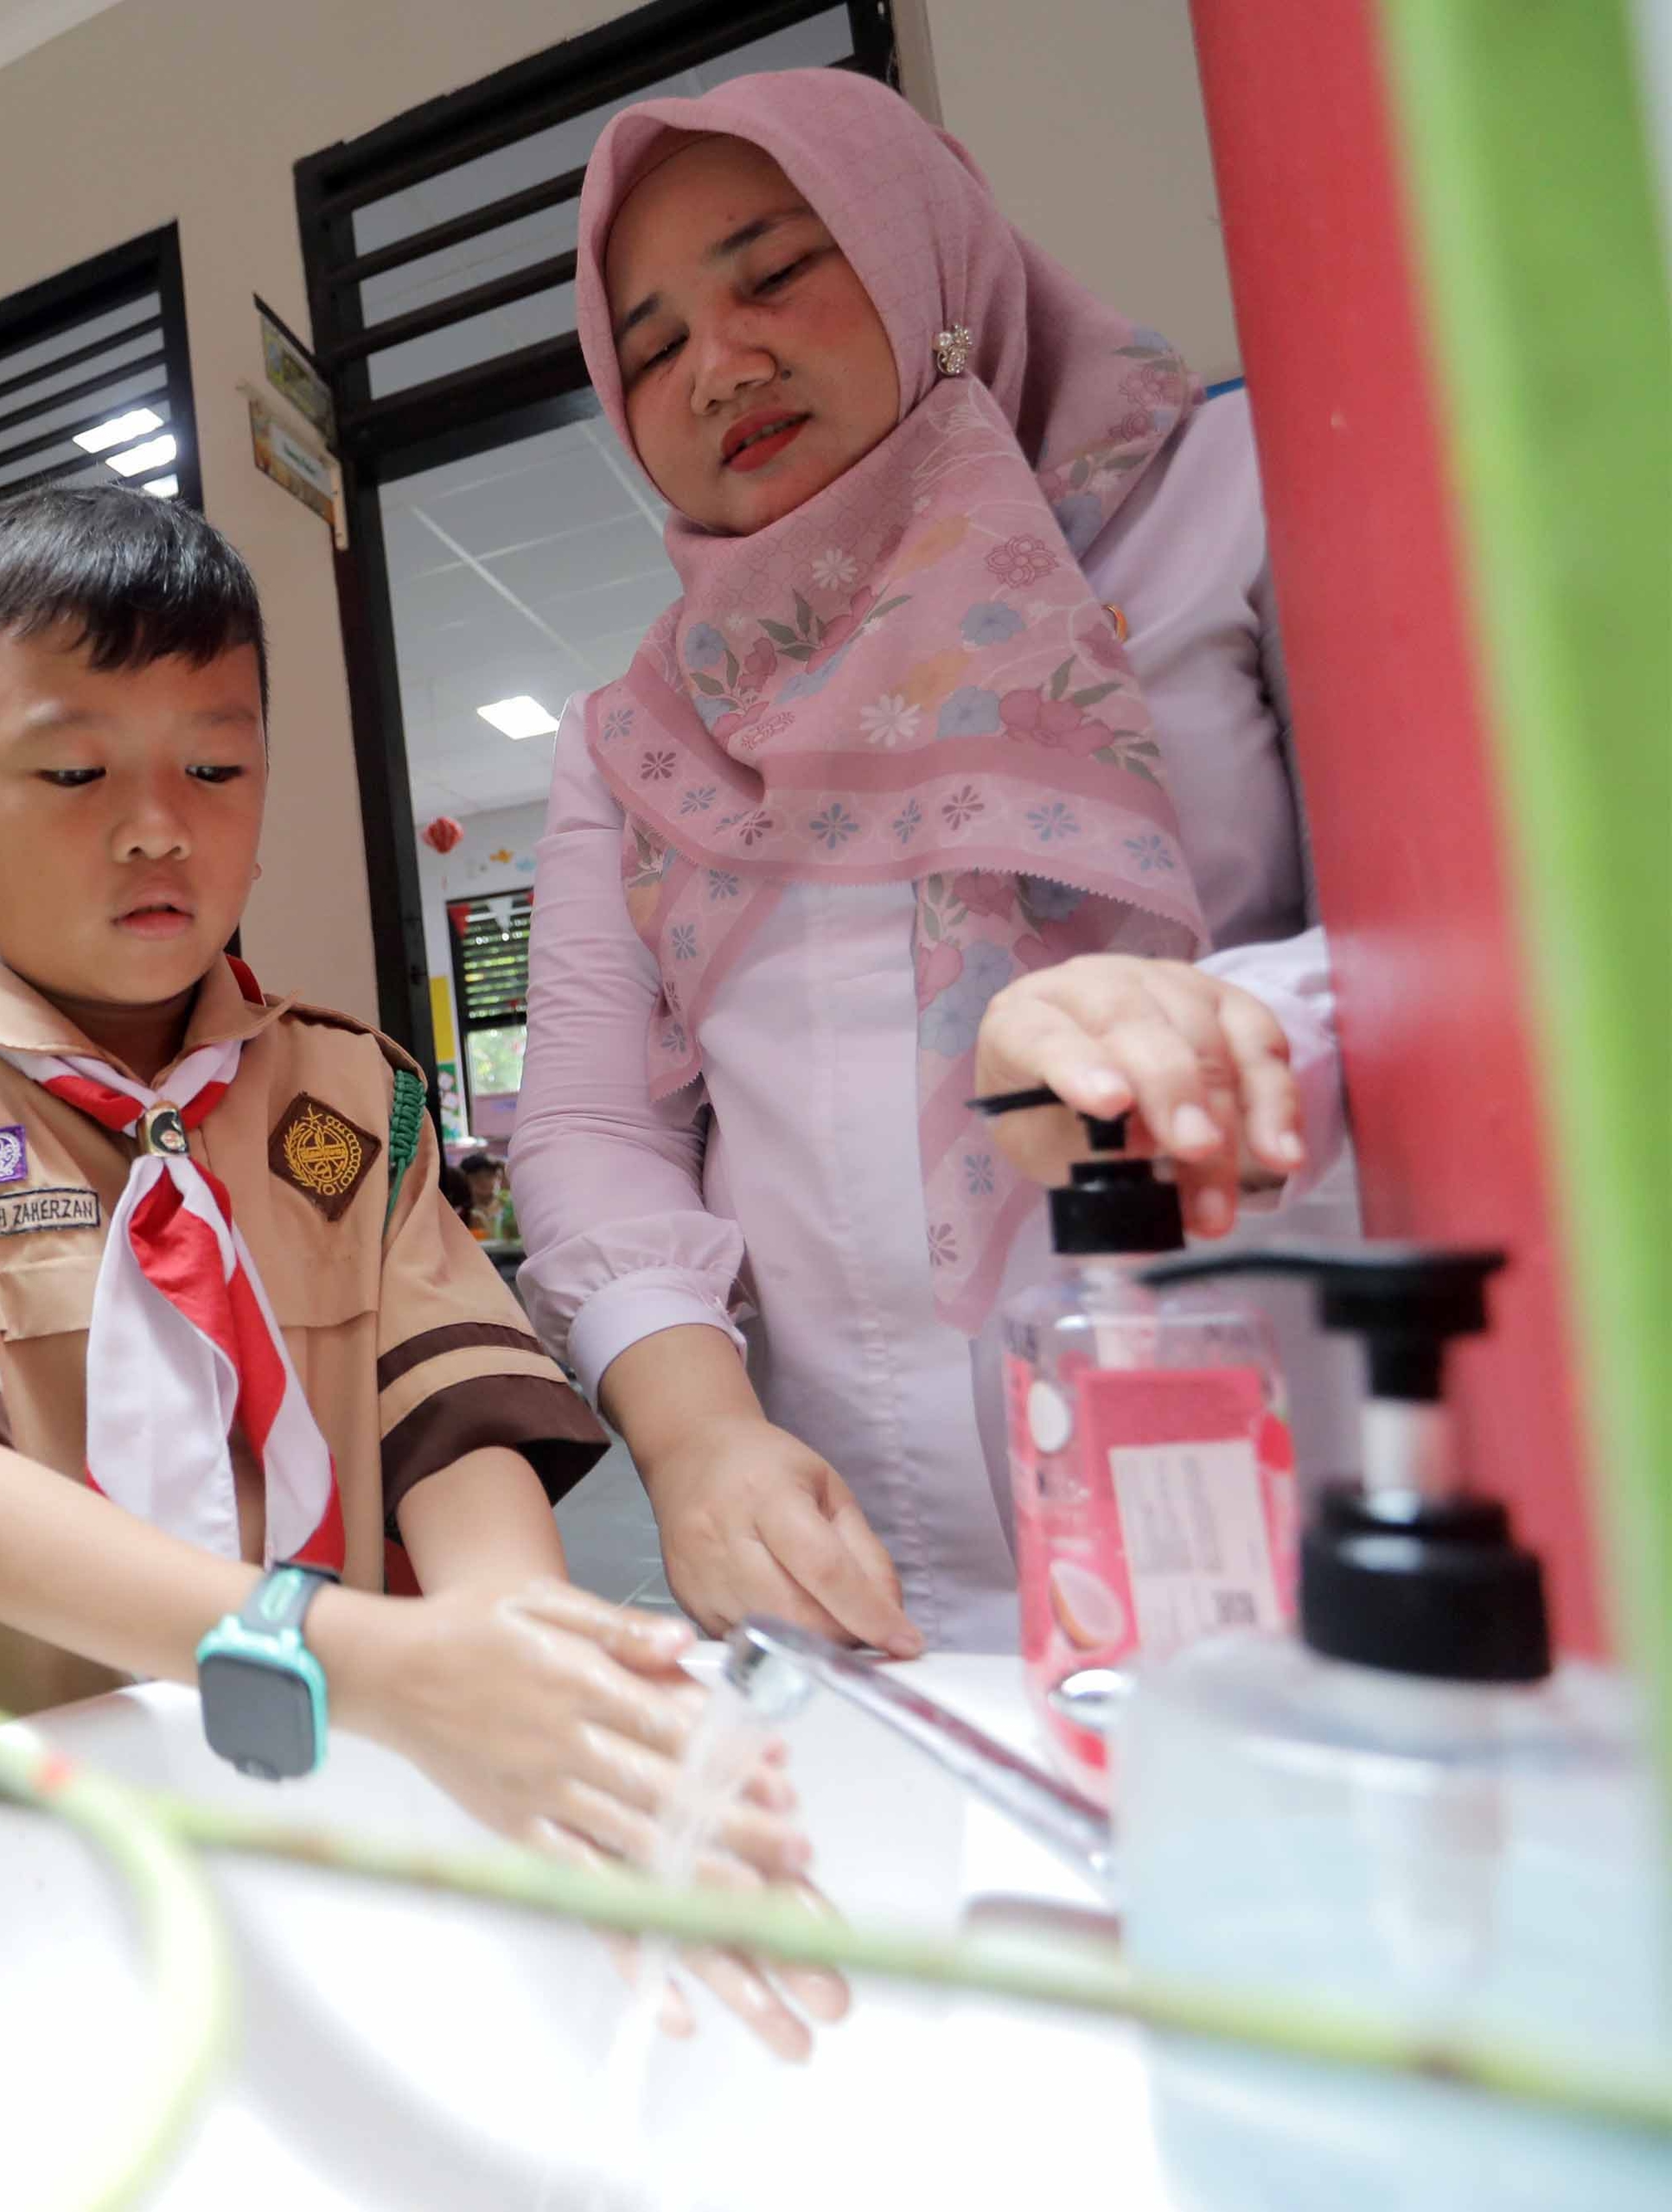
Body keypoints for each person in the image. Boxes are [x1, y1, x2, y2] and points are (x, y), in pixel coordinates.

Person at [0, 487, 843, 2056]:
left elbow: (449, 1418)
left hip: (354, 1807)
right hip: (26, 1837)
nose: (158, 824)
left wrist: (531, 1678)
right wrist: (363, 1658)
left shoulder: (351, 1093)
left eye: (216, 766)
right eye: (74, 770)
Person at [507, 70, 1349, 1656]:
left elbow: (1473, 944)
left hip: (1286, 1497)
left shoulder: (1239, 499)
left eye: (775, 271)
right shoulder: (640, 731)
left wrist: (1246, 1021)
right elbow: (595, 1124)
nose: (721, 365)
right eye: (653, 347)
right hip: (860, 1567)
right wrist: (694, 1433)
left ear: (924, 251)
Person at [459, 1149, 509, 1240]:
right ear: (466, 1180)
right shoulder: (463, 1212)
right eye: (476, 1177)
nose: (483, 1181)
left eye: (489, 1176)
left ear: (498, 1177)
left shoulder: (507, 1204)